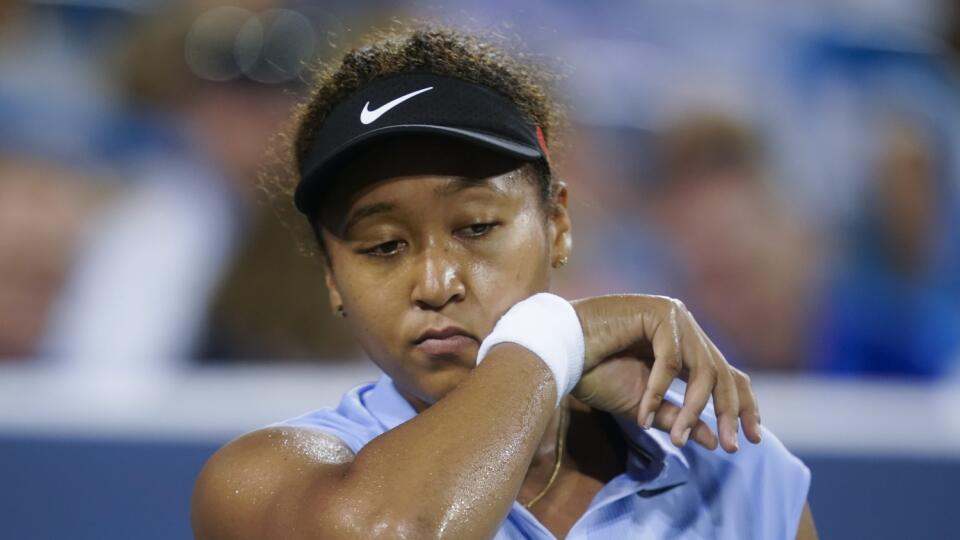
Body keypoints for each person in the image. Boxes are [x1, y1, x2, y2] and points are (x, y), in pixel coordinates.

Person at [192, 28, 816, 539]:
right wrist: (552, 339)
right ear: (333, 278)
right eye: (384, 246)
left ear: (559, 225)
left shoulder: (739, 480)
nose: (435, 283)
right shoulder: (263, 484)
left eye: (477, 227)